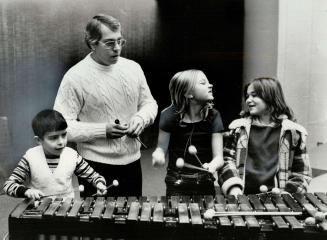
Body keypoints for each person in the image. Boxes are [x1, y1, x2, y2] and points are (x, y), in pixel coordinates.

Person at [54, 14, 158, 197]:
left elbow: (150, 103)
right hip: (93, 166)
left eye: (120, 41)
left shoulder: (133, 68)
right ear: (92, 44)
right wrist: (103, 131)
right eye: (109, 43)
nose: (117, 48)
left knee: (132, 220)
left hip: (133, 162)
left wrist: (141, 119)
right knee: (98, 223)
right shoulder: (75, 77)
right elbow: (60, 127)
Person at [152, 69, 241, 196]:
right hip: (176, 181)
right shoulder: (168, 115)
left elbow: (219, 158)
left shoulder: (214, 116)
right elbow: (161, 148)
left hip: (204, 180)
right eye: (203, 83)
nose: (210, 85)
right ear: (188, 94)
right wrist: (158, 156)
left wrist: (213, 165)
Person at [221, 77, 312, 195]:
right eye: (247, 96)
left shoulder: (293, 132)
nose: (248, 100)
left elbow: (302, 173)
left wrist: (288, 193)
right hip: (242, 195)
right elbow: (227, 160)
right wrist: (233, 188)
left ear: (270, 97)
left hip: (279, 198)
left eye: (254, 95)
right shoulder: (238, 128)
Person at [3, 109, 107, 200]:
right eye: (53, 138)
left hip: (66, 210)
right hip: (37, 212)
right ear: (39, 140)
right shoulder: (30, 157)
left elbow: (94, 176)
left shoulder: (72, 156)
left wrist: (99, 184)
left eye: (64, 135)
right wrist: (26, 191)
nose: (61, 142)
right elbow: (8, 185)